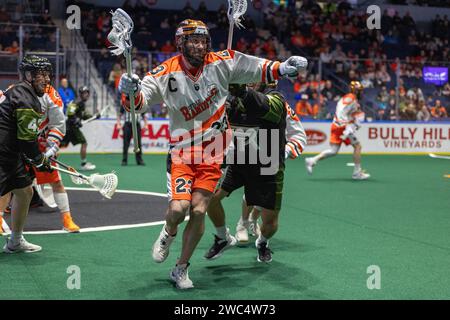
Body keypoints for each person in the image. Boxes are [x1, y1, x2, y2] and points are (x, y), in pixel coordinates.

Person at [118, 19, 308, 289]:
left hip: (214, 155)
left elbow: (257, 66)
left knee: (198, 210)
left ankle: (181, 268)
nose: (199, 45)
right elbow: (138, 104)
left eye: (203, 40)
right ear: (180, 43)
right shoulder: (164, 72)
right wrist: (130, 91)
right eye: (192, 40)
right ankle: (169, 232)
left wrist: (283, 67)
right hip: (182, 154)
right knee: (177, 209)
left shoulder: (223, 61)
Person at [203, 81, 304, 263]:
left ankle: (262, 242)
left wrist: (283, 152)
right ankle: (223, 236)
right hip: (239, 160)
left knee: (271, 222)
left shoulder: (277, 100)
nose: (247, 80)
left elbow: (298, 134)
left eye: (252, 76)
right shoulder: (232, 99)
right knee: (208, 196)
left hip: (268, 164)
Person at [234, 86, 307, 244]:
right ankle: (243, 223)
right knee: (252, 189)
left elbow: (299, 135)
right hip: (248, 150)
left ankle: (251, 220)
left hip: (272, 154)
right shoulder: (244, 100)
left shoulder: (280, 103)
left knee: (267, 196)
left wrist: (284, 152)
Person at [0, 55, 54, 253]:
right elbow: (27, 140)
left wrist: (36, 158)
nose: (47, 79)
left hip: (9, 154)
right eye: (41, 74)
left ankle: (15, 241)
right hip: (3, 155)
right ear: (29, 75)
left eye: (48, 74)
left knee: (25, 191)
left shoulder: (19, 91)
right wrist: (40, 160)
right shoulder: (26, 99)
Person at [305, 81, 370, 180]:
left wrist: (351, 122)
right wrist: (348, 126)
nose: (361, 93)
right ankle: (357, 173)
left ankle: (312, 160)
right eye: (359, 91)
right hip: (342, 125)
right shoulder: (352, 98)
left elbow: (346, 112)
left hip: (336, 125)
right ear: (355, 91)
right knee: (357, 146)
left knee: (334, 150)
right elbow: (344, 112)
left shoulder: (347, 97)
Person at [61, 86, 98, 171]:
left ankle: (49, 159)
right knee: (84, 143)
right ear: (80, 94)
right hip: (70, 127)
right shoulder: (77, 102)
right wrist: (76, 120)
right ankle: (84, 164)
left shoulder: (81, 103)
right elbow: (70, 113)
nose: (86, 95)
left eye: (87, 93)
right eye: (84, 93)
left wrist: (94, 116)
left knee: (61, 145)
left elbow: (84, 116)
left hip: (71, 127)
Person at [117, 95, 146, 166]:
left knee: (138, 143)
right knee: (126, 143)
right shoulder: (124, 104)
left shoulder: (140, 104)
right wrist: (118, 123)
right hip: (128, 124)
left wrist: (146, 124)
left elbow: (143, 115)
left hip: (137, 125)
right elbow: (119, 115)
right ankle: (124, 160)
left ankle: (139, 160)